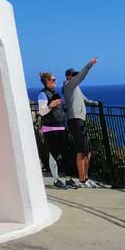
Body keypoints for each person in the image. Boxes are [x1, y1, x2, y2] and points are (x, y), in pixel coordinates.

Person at [63, 58, 100, 188]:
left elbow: (85, 100)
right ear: (68, 77)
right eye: (73, 75)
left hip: (80, 121)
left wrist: (95, 104)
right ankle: (82, 180)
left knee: (88, 150)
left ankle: (86, 177)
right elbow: (82, 76)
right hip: (75, 121)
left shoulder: (76, 88)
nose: (75, 77)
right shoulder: (69, 86)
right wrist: (89, 65)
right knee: (81, 151)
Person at [37, 72, 77, 189]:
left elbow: (61, 109)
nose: (55, 81)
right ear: (47, 81)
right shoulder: (42, 94)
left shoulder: (55, 93)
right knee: (53, 154)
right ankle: (56, 179)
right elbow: (42, 111)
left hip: (61, 127)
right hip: (50, 129)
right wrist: (51, 105)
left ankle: (68, 179)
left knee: (67, 153)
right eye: (53, 80)